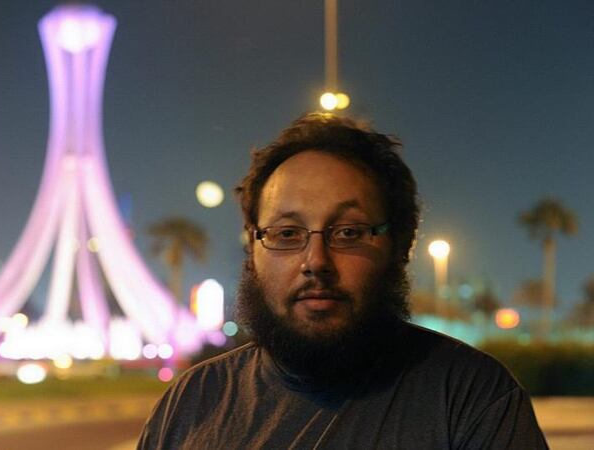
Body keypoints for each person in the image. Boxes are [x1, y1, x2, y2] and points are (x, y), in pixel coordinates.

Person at [137, 113, 547, 449]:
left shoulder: (469, 398)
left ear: (402, 244)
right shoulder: (190, 404)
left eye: (349, 232)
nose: (316, 262)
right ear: (253, 247)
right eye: (287, 233)